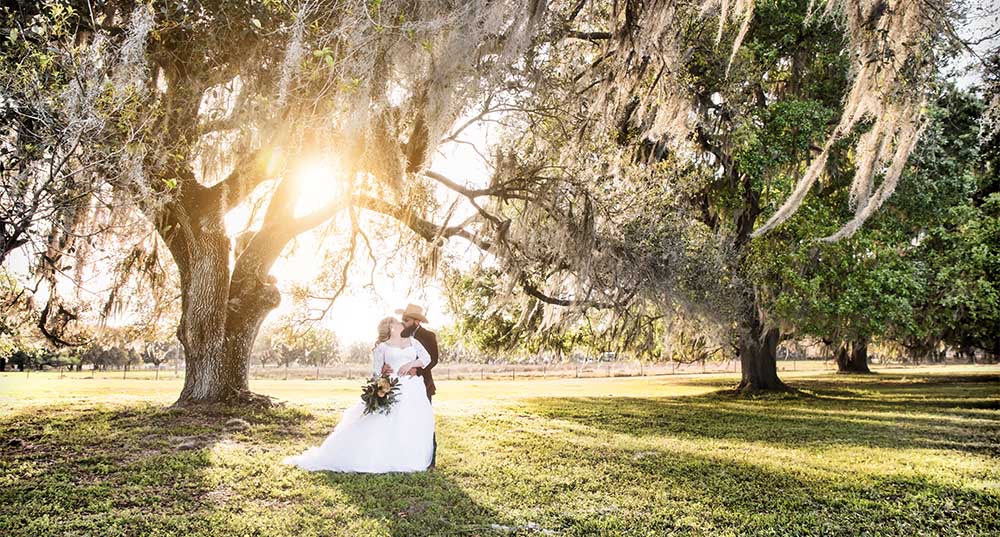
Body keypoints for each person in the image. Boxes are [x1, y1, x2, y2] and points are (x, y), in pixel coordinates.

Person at [283, 316, 435, 473]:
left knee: (410, 422)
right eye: (396, 322)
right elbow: (375, 375)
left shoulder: (412, 341)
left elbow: (427, 358)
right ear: (391, 327)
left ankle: (408, 456)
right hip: (391, 386)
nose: (401, 323)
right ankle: (383, 456)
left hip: (412, 387)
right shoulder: (382, 347)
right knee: (386, 422)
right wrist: (383, 378)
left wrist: (411, 363)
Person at [389, 303, 438, 467]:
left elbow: (433, 359)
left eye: (406, 320)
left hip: (423, 384)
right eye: (402, 319)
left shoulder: (429, 336)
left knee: (425, 422)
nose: (403, 322)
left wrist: (416, 369)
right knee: (403, 420)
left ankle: (430, 460)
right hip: (401, 385)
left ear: (417, 321)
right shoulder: (400, 335)